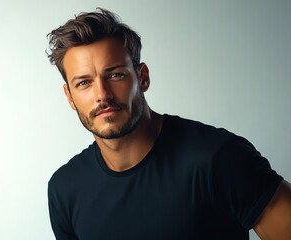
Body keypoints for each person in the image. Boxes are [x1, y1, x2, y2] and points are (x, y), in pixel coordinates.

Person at [46, 8, 291, 240]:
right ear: (70, 97)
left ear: (142, 77)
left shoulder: (218, 158)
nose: (102, 94)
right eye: (84, 83)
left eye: (115, 74)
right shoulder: (65, 190)